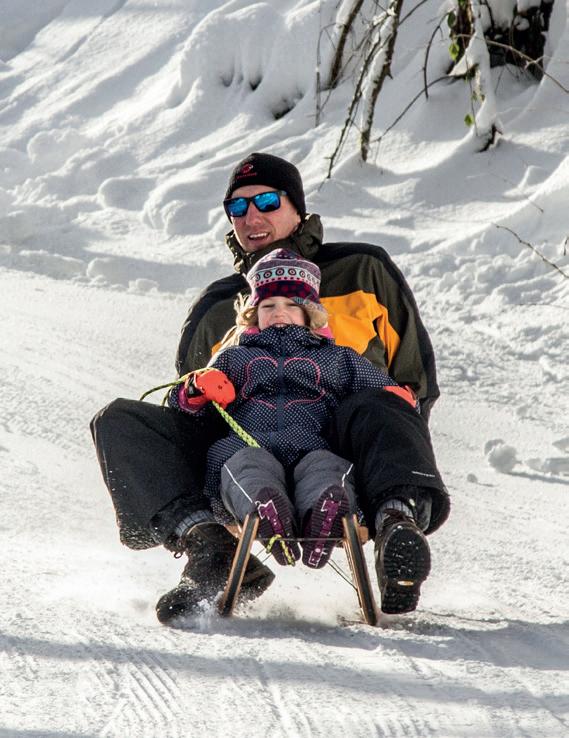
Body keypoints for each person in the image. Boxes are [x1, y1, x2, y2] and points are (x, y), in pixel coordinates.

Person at [91, 152, 450, 624]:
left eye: (266, 201)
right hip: (244, 459)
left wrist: (387, 467)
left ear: (298, 208)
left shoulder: (363, 269)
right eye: (237, 207)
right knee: (119, 421)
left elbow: (414, 385)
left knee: (383, 400)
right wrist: (200, 393)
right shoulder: (218, 307)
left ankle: (395, 528)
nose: (251, 217)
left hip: (347, 453)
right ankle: (211, 551)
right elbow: (188, 420)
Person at [168, 249, 416, 578]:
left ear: (309, 313)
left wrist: (396, 398)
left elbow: (379, 395)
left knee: (328, 470)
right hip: (248, 445)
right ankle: (266, 514)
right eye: (268, 306)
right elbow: (184, 404)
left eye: (290, 305)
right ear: (253, 314)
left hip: (314, 445)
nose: (279, 312)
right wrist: (196, 390)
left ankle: (324, 516)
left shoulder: (339, 358)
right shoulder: (233, 357)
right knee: (246, 469)